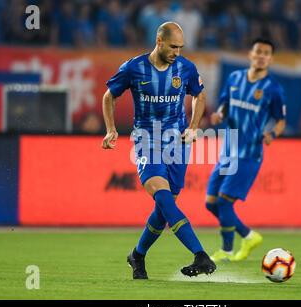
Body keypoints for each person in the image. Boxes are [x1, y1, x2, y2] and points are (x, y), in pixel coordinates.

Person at [102, 22, 216, 279]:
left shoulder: (185, 68)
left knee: (165, 208)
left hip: (178, 142)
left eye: (180, 47)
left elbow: (199, 95)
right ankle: (199, 255)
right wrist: (111, 129)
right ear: (159, 41)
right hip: (146, 141)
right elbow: (109, 96)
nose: (177, 52)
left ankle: (137, 256)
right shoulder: (133, 67)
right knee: (163, 198)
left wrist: (195, 126)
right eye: (173, 46)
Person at [205, 38, 286, 262]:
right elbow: (224, 104)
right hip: (227, 152)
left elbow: (280, 121)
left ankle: (227, 250)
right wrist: (219, 113)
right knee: (210, 203)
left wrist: (272, 134)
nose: (261, 56)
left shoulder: (273, 89)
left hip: (249, 154)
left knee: (223, 202)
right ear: (250, 54)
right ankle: (248, 236)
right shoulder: (234, 78)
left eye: (266, 53)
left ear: (270, 59)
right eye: (258, 51)